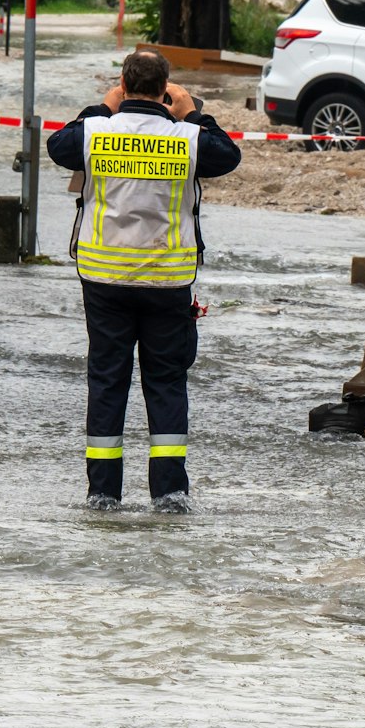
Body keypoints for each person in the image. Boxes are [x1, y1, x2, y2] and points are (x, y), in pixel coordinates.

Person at [47, 49, 242, 511]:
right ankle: (170, 494)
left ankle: (102, 494)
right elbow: (228, 155)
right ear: (166, 89)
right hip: (167, 279)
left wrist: (103, 105)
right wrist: (194, 110)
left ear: (123, 83)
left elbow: (59, 146)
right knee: (166, 382)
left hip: (104, 279)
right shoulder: (189, 137)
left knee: (107, 380)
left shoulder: (96, 131)